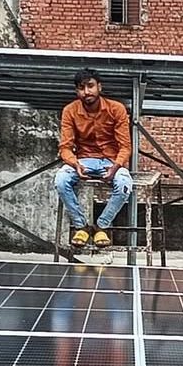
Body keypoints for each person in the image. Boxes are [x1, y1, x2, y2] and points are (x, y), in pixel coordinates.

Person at [55, 68, 133, 249]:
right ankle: (81, 226)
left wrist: (115, 167)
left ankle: (101, 226)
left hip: (111, 161)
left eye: (90, 86)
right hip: (83, 160)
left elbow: (125, 147)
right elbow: (65, 147)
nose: (86, 91)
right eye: (81, 88)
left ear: (99, 87)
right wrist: (75, 164)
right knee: (61, 180)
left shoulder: (116, 109)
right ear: (77, 91)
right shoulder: (70, 111)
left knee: (124, 184)